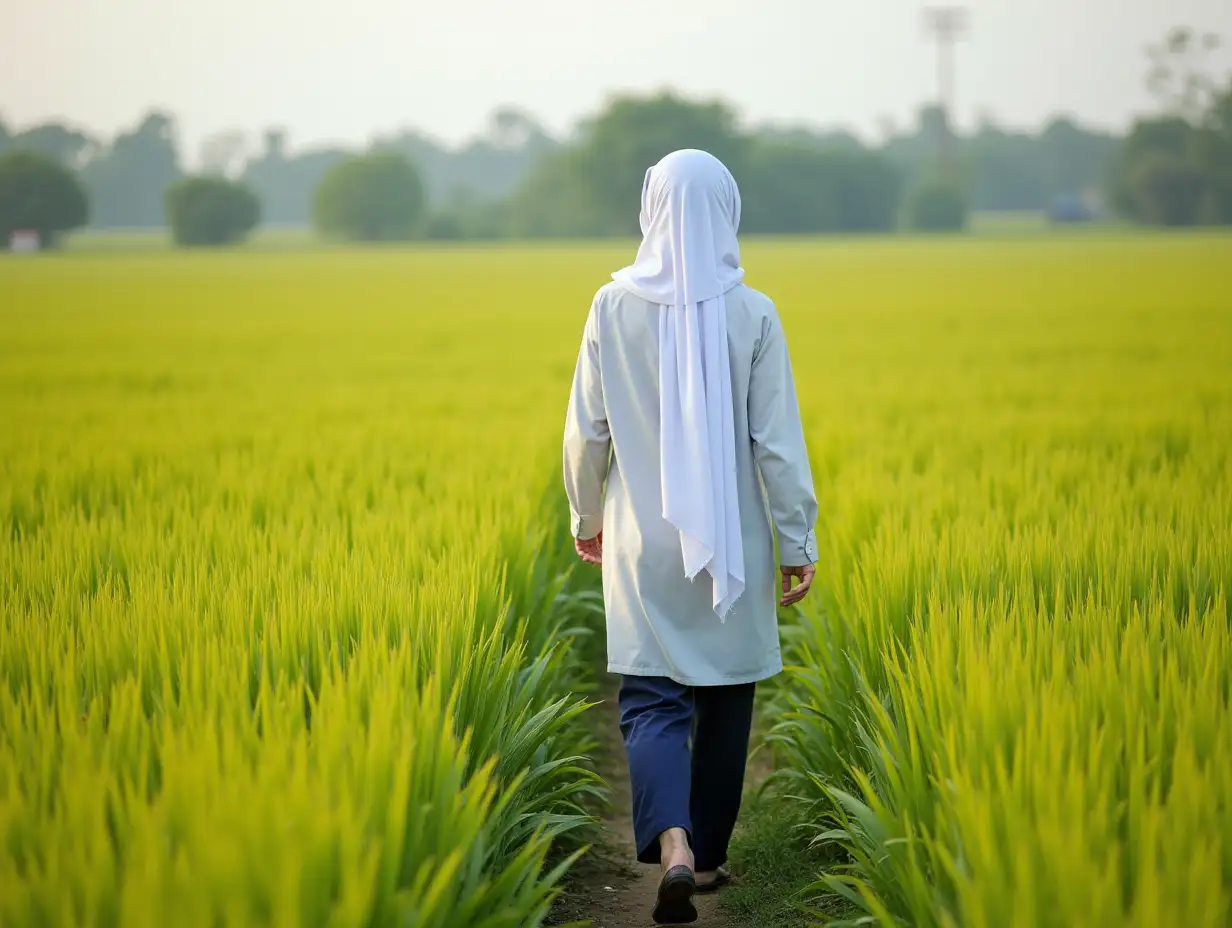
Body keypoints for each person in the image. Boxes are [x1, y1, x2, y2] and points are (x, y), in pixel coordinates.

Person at [562, 149, 818, 925]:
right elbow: (777, 442)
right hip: (731, 544)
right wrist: (795, 538)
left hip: (643, 539)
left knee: (650, 698)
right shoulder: (755, 312)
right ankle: (705, 860)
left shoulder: (610, 306)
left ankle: (669, 843)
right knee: (726, 696)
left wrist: (587, 518)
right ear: (727, 210)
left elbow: (586, 433)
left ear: (652, 209)